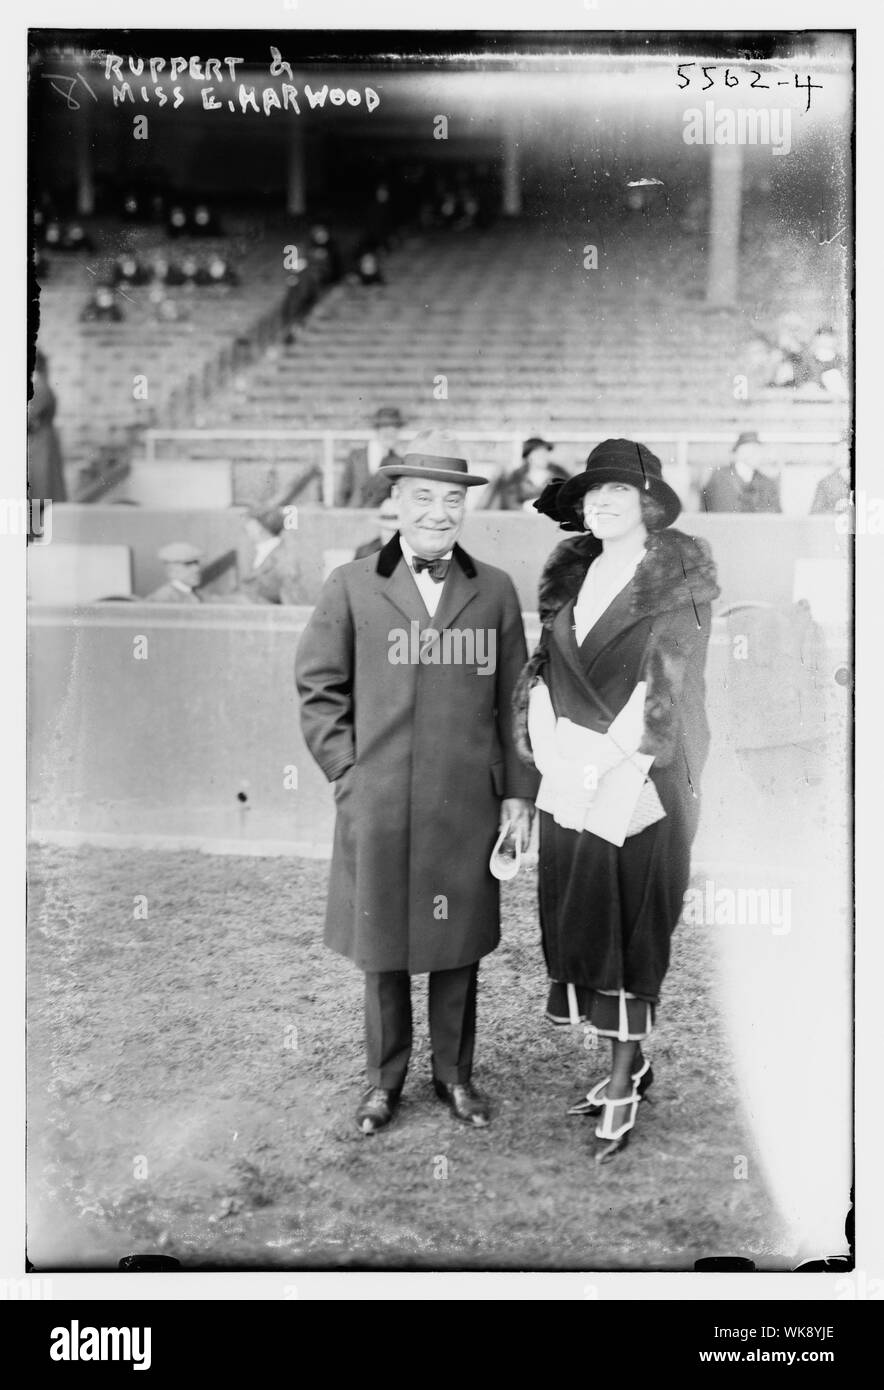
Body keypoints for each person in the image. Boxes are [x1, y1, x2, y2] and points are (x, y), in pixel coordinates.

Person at [296, 430, 538, 1135]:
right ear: (396, 503)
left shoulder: (493, 589)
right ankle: (383, 1082)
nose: (438, 511)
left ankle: (456, 1078)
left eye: (452, 499)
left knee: (459, 945)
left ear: (465, 509)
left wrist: (518, 791)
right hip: (381, 804)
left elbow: (516, 701)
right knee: (384, 946)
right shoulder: (350, 585)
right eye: (423, 496)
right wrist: (348, 774)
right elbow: (319, 690)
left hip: (466, 805)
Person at [513, 440, 719, 1160]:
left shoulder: (680, 581)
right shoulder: (571, 577)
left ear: (650, 507)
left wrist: (603, 762)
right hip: (571, 779)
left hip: (644, 778)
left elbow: (666, 688)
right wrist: (556, 756)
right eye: (591, 497)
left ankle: (624, 1080)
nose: (600, 506)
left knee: (630, 929)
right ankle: (628, 1060)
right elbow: (541, 672)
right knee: (585, 919)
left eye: (617, 496)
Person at [338, 406, 405, 507]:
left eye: (395, 428)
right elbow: (343, 493)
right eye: (385, 427)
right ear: (377, 429)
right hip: (351, 516)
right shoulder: (356, 456)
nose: (390, 433)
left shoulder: (398, 462)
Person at [234, 506, 301, 604]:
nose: (246, 528)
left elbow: (290, 601)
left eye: (249, 523)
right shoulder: (261, 552)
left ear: (259, 527)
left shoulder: (284, 558)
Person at [701, 431, 781, 513]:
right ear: (738, 452)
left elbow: (776, 514)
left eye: (757, 450)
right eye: (750, 449)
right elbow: (710, 508)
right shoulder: (720, 477)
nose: (756, 454)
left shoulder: (767, 483)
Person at [485, 438, 570, 511]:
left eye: (545, 453)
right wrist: (524, 507)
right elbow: (509, 501)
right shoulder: (516, 477)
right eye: (538, 453)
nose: (543, 456)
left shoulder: (559, 475)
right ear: (528, 456)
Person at [28, 351, 67, 504]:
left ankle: (39, 527)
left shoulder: (39, 388)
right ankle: (42, 526)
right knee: (44, 487)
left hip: (40, 443)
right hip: (44, 440)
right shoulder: (42, 386)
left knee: (40, 488)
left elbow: (28, 418)